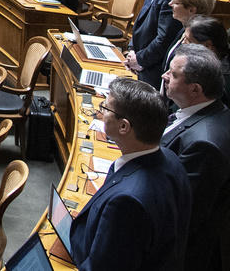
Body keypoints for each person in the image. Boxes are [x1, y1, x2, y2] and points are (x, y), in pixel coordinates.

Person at [68, 78, 190, 270]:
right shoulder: (170, 159)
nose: (100, 112)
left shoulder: (126, 202)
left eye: (105, 108)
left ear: (124, 126)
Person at [159, 45, 230, 271]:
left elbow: (180, 213)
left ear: (195, 89)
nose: (164, 76)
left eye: (173, 74)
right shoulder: (206, 110)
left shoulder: (205, 145)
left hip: (192, 256)